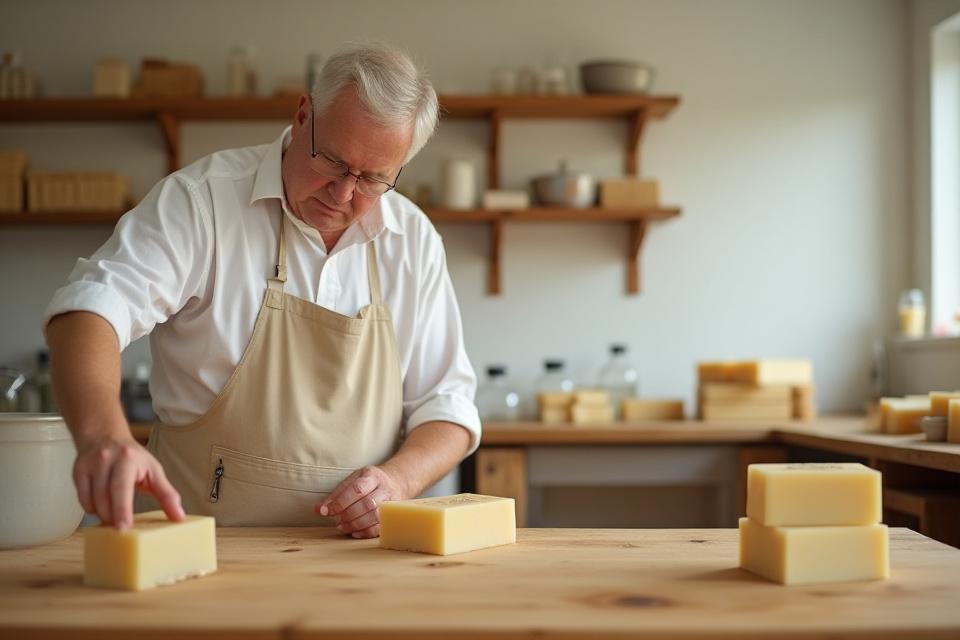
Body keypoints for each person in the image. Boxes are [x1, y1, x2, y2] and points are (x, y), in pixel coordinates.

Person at [43, 42, 481, 538]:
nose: (343, 194)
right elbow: (91, 309)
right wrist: (103, 437)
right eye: (333, 161)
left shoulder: (414, 240)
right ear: (302, 115)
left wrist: (399, 481)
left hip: (358, 561)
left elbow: (448, 405)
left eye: (372, 179)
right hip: (200, 547)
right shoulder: (201, 204)